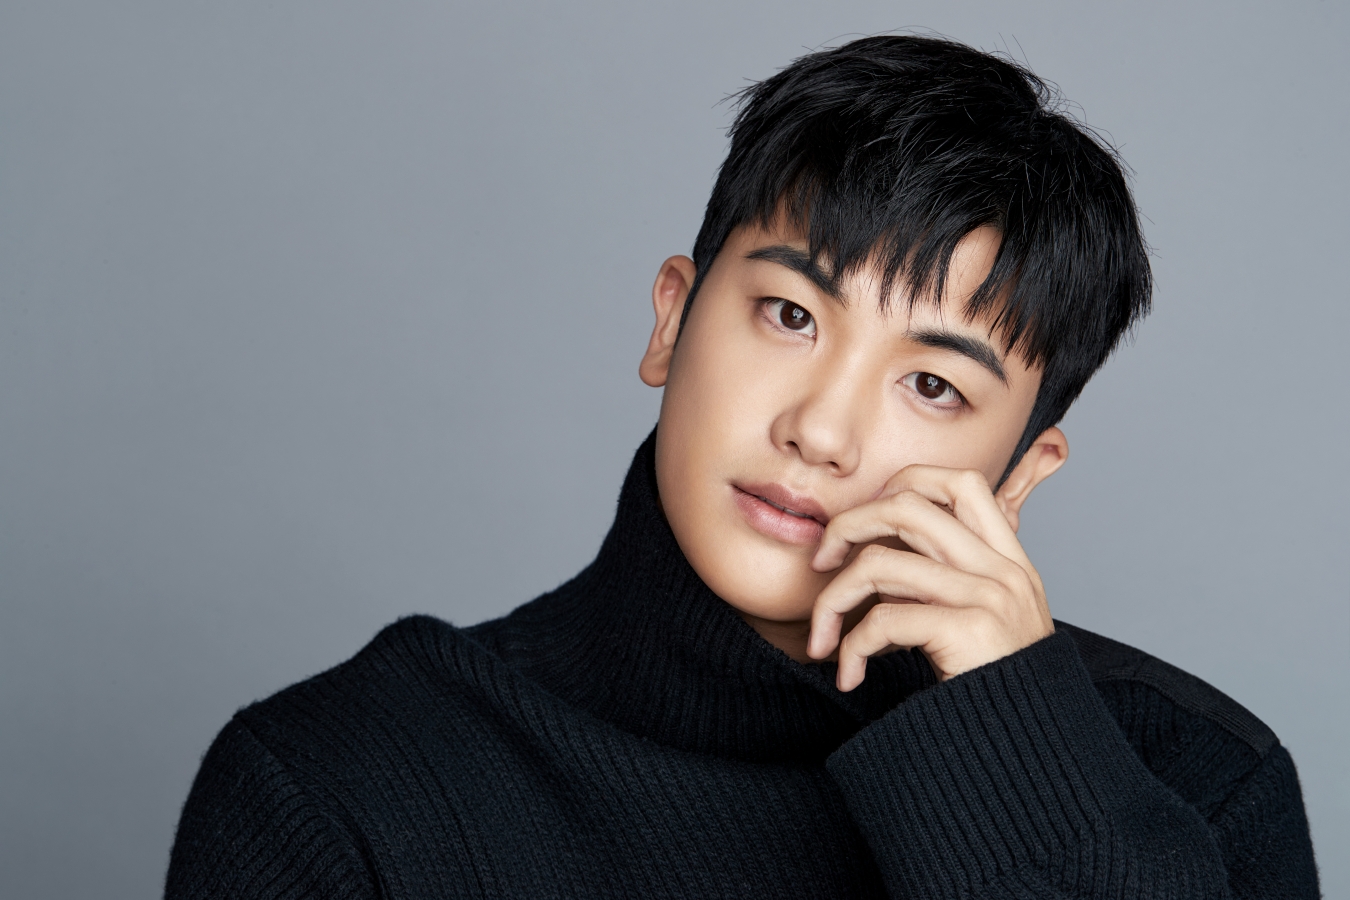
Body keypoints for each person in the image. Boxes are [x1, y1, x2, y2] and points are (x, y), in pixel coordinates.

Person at [165, 35, 1319, 898]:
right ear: (672, 320)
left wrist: (1021, 767)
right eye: (790, 315)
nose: (822, 431)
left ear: (1019, 473)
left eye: (932, 385)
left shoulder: (1194, 782)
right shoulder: (339, 784)